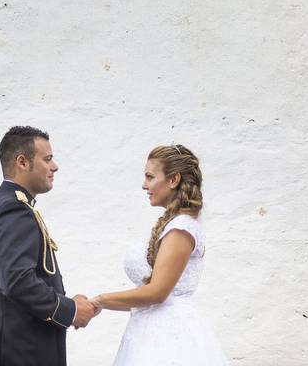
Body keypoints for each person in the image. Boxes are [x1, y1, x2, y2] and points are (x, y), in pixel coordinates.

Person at [0, 126, 99, 366]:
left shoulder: (7, 202)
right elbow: (17, 280)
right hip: (21, 352)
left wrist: (69, 302)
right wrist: (70, 310)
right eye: (47, 159)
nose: (55, 166)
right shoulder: (14, 209)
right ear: (22, 162)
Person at [92, 144, 227, 366]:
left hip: (168, 337)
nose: (144, 185)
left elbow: (157, 293)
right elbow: (147, 298)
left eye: (150, 177)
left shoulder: (181, 228)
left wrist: (101, 299)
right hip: (149, 331)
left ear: (173, 180)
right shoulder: (173, 225)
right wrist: (102, 305)